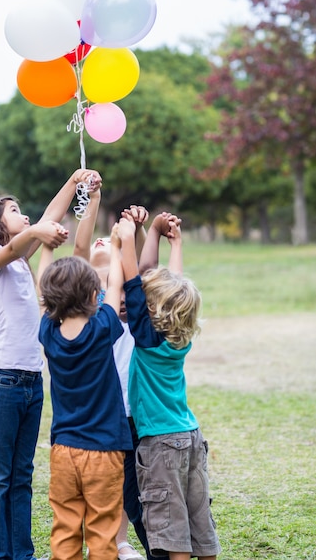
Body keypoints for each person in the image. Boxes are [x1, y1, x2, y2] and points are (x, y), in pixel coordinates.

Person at [0, 168, 101, 560]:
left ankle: (21, 554)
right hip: (2, 379)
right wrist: (35, 234)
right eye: (15, 211)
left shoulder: (19, 262)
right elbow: (16, 246)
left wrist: (74, 183)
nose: (26, 216)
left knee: (22, 476)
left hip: (31, 381)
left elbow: (45, 220)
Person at [117, 212, 221, 560]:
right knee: (199, 521)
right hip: (191, 435)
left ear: (150, 309)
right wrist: (173, 241)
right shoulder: (181, 338)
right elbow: (174, 287)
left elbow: (132, 280)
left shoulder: (144, 338)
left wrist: (127, 237)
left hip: (160, 442)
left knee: (172, 530)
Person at [37, 222, 133, 560]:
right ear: (95, 296)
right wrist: (119, 246)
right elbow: (117, 284)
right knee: (103, 531)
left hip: (63, 449)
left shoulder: (49, 333)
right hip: (105, 450)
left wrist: (46, 246)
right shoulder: (102, 327)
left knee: (64, 527)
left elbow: (41, 293)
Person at [75, 201, 164, 560]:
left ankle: (121, 541)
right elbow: (81, 248)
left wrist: (139, 229)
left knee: (129, 482)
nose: (100, 240)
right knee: (102, 479)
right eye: (99, 240)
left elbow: (143, 263)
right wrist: (93, 200)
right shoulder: (83, 292)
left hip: (132, 403)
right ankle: (99, 536)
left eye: (105, 240)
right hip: (100, 404)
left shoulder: (129, 287)